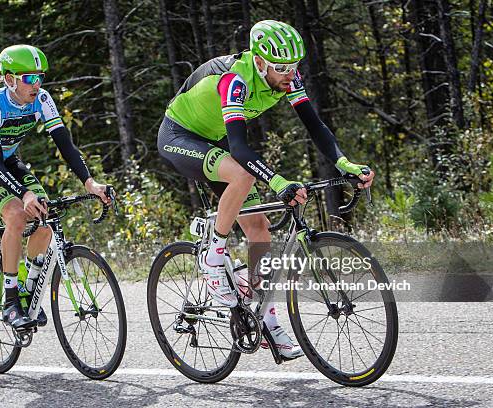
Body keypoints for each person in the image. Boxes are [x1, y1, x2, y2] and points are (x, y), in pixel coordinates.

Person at [157, 20, 374, 359]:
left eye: (295, 66)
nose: (290, 74)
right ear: (259, 62)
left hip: (216, 140)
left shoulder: (288, 78)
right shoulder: (235, 81)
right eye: (281, 67)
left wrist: (345, 164)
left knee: (259, 230)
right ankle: (213, 258)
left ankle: (267, 319)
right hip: (180, 136)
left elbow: (314, 126)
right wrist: (278, 182)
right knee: (243, 175)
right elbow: (241, 150)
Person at [0, 44, 112, 330]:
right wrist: (23, 195)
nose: (36, 85)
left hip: (8, 160)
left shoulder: (42, 99)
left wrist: (90, 182)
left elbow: (66, 145)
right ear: (10, 79)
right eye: (29, 78)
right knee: (15, 213)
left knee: (44, 215)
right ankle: (11, 302)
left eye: (40, 77)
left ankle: (27, 286)